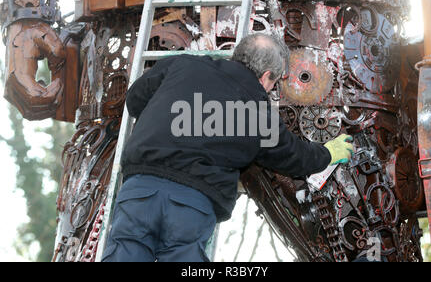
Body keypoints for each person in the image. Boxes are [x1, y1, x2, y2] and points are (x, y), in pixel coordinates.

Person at [101, 33, 355, 262]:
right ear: (267, 76)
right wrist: (328, 153)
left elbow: (134, 100)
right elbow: (292, 156)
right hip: (192, 202)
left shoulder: (182, 64)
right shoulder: (258, 112)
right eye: (274, 82)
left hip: (140, 188)